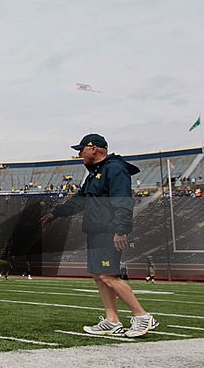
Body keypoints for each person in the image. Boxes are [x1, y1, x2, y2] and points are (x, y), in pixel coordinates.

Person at [41, 134, 158, 338]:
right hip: (96, 230)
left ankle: (142, 316)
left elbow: (122, 200)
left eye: (81, 149)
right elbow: (80, 200)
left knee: (108, 275)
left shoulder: (114, 169)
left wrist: (120, 230)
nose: (79, 153)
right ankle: (112, 320)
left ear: (93, 148)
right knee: (99, 276)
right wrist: (56, 213)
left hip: (108, 230)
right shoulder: (96, 173)